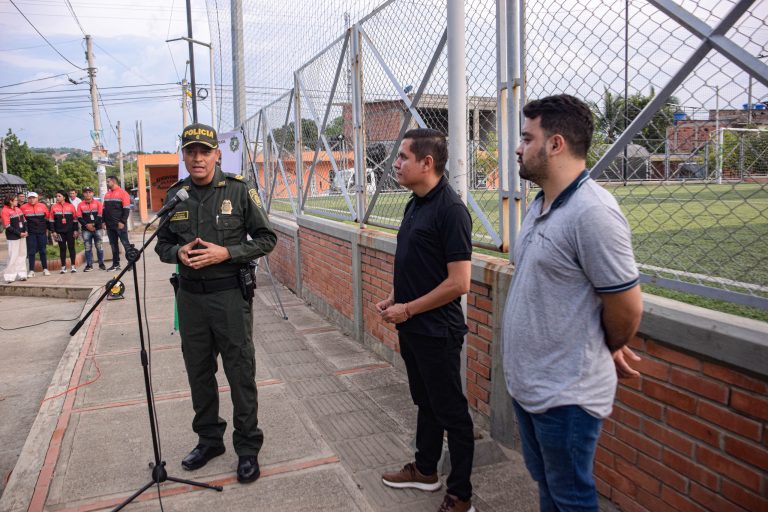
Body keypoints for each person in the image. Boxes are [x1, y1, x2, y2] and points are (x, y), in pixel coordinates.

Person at [502, 94, 643, 512]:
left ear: (556, 144)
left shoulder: (592, 212)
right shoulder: (541, 203)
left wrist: (609, 343)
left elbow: (626, 306)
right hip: (531, 386)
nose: (518, 148)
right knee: (547, 485)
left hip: (566, 395)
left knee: (571, 498)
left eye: (527, 138)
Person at [155, 123, 277, 484]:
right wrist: (177, 252)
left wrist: (228, 252)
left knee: (240, 372)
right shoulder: (176, 196)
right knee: (199, 373)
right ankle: (209, 440)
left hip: (229, 298)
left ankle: (247, 447)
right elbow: (161, 244)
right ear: (183, 155)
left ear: (217, 154)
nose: (198, 158)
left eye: (204, 151)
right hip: (190, 298)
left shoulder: (239, 191)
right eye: (191, 151)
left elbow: (267, 239)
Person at [376, 128, 475, 512]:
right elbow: (417, 263)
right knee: (426, 403)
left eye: (403, 157)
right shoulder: (415, 203)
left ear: (427, 162)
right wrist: (395, 297)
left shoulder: (451, 210)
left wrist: (409, 308)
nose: (396, 163)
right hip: (413, 326)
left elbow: (459, 282)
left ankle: (460, 495)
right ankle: (425, 469)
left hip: (437, 332)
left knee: (452, 413)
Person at [103, 176, 132, 271]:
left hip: (119, 225)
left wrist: (122, 222)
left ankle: (131, 263)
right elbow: (104, 209)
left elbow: (126, 209)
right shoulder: (107, 194)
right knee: (113, 245)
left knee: (125, 244)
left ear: (113, 182)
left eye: (108, 181)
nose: (107, 183)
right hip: (109, 225)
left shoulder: (123, 193)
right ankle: (116, 265)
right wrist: (103, 221)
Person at [48, 190, 80, 273]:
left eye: (59, 196)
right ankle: (63, 267)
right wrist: (53, 231)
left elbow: (75, 219)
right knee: (62, 249)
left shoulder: (71, 206)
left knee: (71, 248)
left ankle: (73, 266)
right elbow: (51, 220)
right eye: (57, 196)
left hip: (70, 231)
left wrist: (75, 230)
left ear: (64, 197)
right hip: (59, 232)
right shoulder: (54, 207)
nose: (57, 198)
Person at [20, 191, 50, 277]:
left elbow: (47, 218)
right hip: (30, 233)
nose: (32, 200)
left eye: (33, 198)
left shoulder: (43, 206)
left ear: (37, 198)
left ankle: (45, 269)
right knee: (31, 251)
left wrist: (49, 230)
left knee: (43, 251)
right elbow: (21, 221)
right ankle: (31, 270)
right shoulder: (23, 207)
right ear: (27, 199)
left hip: (42, 232)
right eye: (30, 198)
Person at [77, 186, 106, 271]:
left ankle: (101, 264)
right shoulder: (80, 205)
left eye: (89, 192)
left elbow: (100, 215)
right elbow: (79, 217)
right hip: (86, 230)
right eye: (86, 192)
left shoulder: (98, 203)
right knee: (87, 247)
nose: (88, 194)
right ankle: (89, 265)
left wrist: (93, 225)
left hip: (97, 228)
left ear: (92, 193)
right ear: (83, 194)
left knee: (99, 247)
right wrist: (87, 225)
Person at [2, 194, 28, 283]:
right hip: (13, 237)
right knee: (13, 256)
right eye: (16, 200)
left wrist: (26, 231)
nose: (17, 201)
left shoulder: (18, 209)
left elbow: (24, 221)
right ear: (10, 201)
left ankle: (22, 274)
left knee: (22, 255)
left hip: (22, 235)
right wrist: (19, 233)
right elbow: (7, 226)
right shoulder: (5, 211)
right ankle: (9, 276)